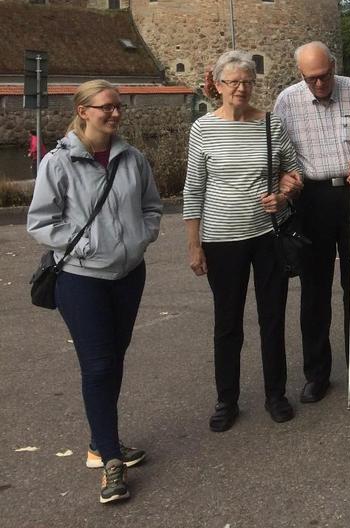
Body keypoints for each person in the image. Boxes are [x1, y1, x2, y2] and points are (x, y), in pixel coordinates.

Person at [27, 80, 162, 504]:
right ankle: (110, 462)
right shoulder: (59, 162)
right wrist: (85, 245)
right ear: (83, 111)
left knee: (113, 358)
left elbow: (152, 205)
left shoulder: (131, 157)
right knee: (99, 365)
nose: (115, 114)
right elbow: (41, 221)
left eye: (119, 107)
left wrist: (142, 237)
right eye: (106, 107)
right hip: (81, 278)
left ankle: (100, 440)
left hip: (128, 274)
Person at [184, 51, 303, 432]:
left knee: (272, 317)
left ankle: (275, 394)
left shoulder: (271, 124)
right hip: (221, 238)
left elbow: (294, 171)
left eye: (247, 82)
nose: (241, 88)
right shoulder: (203, 129)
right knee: (227, 322)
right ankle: (226, 399)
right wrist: (194, 243)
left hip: (268, 234)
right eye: (233, 81)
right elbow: (193, 189)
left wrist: (285, 193)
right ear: (217, 85)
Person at [274, 42, 350, 401]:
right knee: (314, 289)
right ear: (301, 75)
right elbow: (278, 154)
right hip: (311, 198)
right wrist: (285, 180)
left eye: (325, 75)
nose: (320, 83)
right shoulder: (287, 101)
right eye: (312, 78)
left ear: (334, 66)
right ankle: (317, 373)